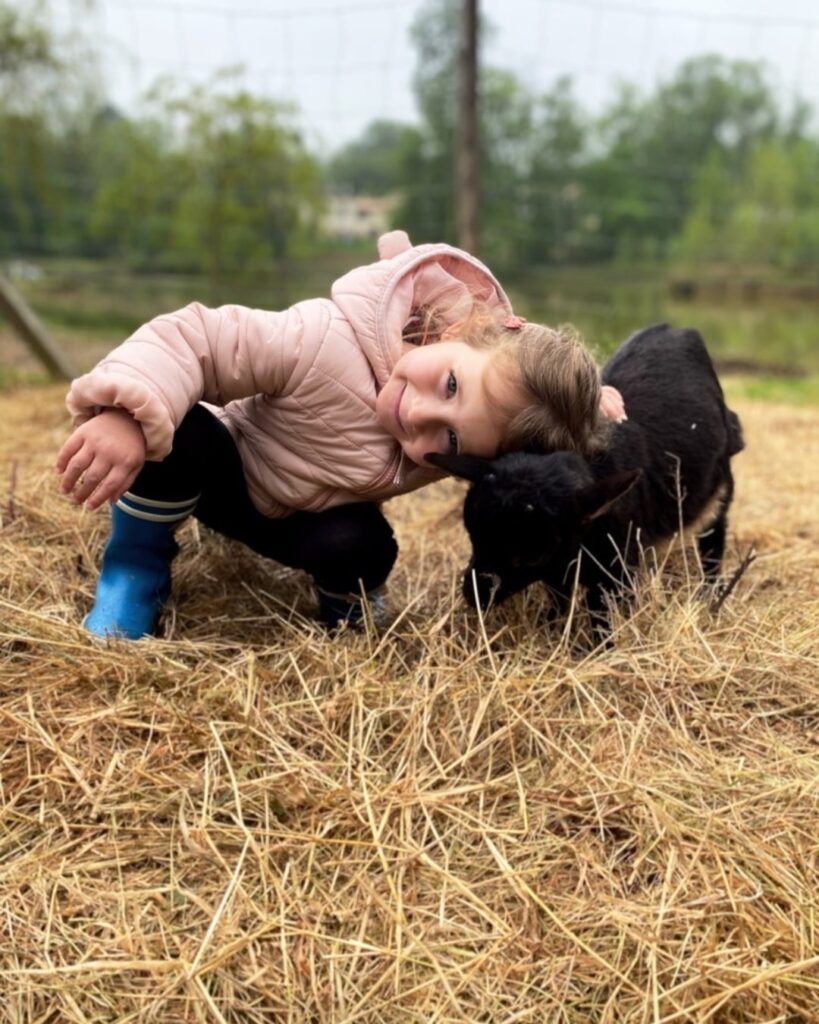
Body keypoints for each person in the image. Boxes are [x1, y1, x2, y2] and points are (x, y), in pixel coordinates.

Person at [55, 230, 624, 639]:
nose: (420, 414)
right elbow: (195, 338)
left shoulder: (472, 420)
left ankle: (343, 600)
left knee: (365, 545)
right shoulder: (319, 341)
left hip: (294, 522)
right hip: (222, 474)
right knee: (179, 433)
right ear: (455, 331)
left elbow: (518, 417)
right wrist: (126, 413)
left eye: (451, 441)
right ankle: (135, 565)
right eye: (449, 385)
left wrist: (586, 403)